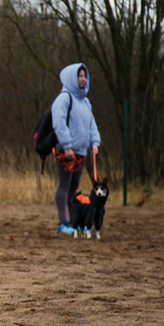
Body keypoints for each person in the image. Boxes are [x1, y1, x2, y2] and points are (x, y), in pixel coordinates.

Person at [52, 62, 101, 234]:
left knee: (74, 187)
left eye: (84, 76)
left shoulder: (85, 102)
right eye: (80, 76)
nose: (83, 79)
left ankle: (73, 221)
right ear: (72, 78)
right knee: (64, 186)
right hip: (66, 152)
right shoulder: (64, 98)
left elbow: (91, 124)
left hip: (81, 152)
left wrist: (95, 142)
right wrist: (67, 146)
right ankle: (62, 223)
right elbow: (59, 124)